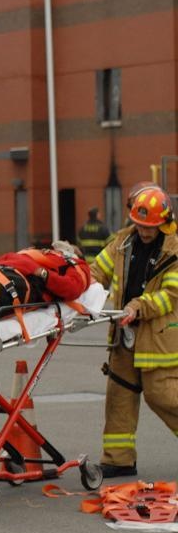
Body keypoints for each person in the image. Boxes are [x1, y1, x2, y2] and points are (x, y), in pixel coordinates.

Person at [90, 185, 178, 478]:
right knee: (119, 396)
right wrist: (78, 288)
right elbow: (96, 273)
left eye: (151, 227)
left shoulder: (174, 250)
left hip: (158, 337)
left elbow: (171, 296)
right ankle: (118, 459)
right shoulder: (122, 243)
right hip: (124, 336)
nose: (144, 231)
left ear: (164, 223)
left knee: (163, 396)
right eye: (140, 225)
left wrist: (139, 306)